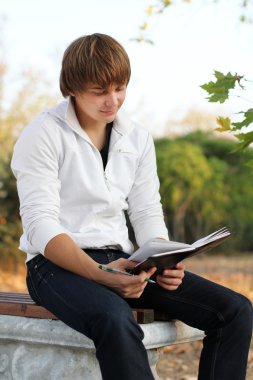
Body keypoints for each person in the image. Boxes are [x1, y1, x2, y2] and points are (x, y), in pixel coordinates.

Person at [11, 33, 252, 380]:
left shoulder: (137, 137)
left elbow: (146, 210)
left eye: (120, 87)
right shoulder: (43, 134)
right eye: (99, 91)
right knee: (113, 316)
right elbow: (40, 225)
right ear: (73, 87)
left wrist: (165, 260)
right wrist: (100, 276)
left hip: (125, 263)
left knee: (235, 310)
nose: (113, 101)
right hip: (55, 266)